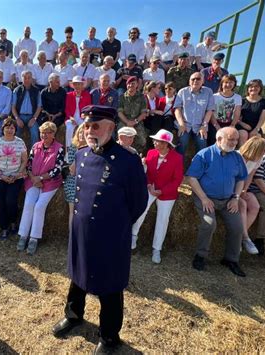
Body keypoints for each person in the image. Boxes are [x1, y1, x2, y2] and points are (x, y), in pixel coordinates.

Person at [52, 105, 147, 354]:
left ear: (111, 128)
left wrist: (115, 224)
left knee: (110, 285)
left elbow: (138, 203)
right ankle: (73, 315)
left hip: (111, 235)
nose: (89, 130)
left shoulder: (128, 161)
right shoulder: (82, 155)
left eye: (95, 125)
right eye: (86, 125)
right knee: (78, 275)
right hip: (81, 230)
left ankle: (109, 336)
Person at [187, 127, 248, 277]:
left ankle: (231, 259)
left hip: (228, 200)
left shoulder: (237, 157)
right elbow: (191, 178)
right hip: (206, 198)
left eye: (236, 140)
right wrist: (204, 198)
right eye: (231, 139)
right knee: (209, 224)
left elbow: (241, 179)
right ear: (219, 139)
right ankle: (200, 256)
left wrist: (236, 198)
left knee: (237, 226)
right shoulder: (204, 155)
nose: (234, 143)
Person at [131, 129, 184, 263]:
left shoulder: (177, 158)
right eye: (154, 140)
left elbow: (177, 180)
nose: (154, 143)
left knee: (163, 219)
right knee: (141, 209)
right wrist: (149, 185)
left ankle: (156, 249)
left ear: (166, 144)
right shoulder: (151, 153)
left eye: (158, 141)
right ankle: (133, 236)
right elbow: (147, 173)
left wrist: (161, 191)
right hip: (150, 188)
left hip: (167, 193)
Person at [17, 121, 64, 255]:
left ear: (53, 134)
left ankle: (33, 238)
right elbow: (29, 164)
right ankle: (23, 236)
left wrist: (41, 178)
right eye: (42, 132)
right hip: (33, 181)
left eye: (47, 132)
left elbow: (58, 169)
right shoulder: (35, 146)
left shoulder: (59, 148)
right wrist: (33, 178)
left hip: (50, 183)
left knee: (39, 206)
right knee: (29, 203)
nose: (44, 135)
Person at [0, 118, 28, 239]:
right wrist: (2, 175)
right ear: (2, 129)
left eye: (12, 127)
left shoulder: (20, 142)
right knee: (1, 204)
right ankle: (4, 228)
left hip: (16, 178)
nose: (10, 130)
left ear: (15, 130)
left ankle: (13, 222)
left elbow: (24, 160)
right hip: (0, 178)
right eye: (7, 127)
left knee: (11, 202)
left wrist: (17, 174)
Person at [237, 137, 265, 255]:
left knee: (255, 206)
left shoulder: (258, 159)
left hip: (243, 188)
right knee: (243, 204)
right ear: (255, 149)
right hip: (231, 188)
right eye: (264, 150)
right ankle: (245, 237)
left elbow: (250, 175)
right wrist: (238, 192)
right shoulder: (236, 157)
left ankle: (239, 238)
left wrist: (245, 189)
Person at [174, 72, 215, 156]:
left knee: (202, 145)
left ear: (203, 81)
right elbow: (177, 109)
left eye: (198, 79)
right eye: (193, 79)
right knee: (182, 142)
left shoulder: (208, 92)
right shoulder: (182, 92)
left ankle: (199, 167)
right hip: (185, 125)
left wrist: (204, 125)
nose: (195, 81)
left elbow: (210, 110)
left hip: (200, 125)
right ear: (189, 81)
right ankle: (178, 166)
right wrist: (181, 124)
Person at [63, 123, 86, 237]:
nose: (81, 135)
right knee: (73, 210)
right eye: (80, 132)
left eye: (84, 132)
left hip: (86, 181)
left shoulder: (93, 149)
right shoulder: (73, 147)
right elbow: (73, 170)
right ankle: (72, 236)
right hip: (72, 181)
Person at [117, 76, 147, 154]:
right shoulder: (122, 97)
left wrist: (135, 122)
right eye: (129, 84)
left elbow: (144, 113)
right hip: (124, 121)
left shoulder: (141, 97)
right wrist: (127, 122)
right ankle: (121, 153)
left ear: (137, 84)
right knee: (121, 136)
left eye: (133, 84)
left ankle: (137, 154)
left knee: (142, 140)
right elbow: (119, 112)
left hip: (137, 121)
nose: (130, 85)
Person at [209, 74, 241, 145]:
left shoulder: (237, 97)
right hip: (215, 123)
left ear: (234, 84)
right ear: (222, 84)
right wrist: (216, 126)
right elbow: (211, 112)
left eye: (231, 82)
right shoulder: (215, 96)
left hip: (229, 123)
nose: (228, 84)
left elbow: (237, 112)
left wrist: (232, 125)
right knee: (213, 139)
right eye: (226, 82)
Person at [11, 70, 42, 144]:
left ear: (32, 79)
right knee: (14, 131)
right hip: (19, 116)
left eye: (29, 78)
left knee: (35, 132)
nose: (27, 80)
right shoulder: (17, 90)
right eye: (25, 78)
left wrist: (34, 119)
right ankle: (15, 152)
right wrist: (17, 118)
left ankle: (33, 153)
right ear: (22, 79)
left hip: (32, 116)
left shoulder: (36, 91)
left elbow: (39, 107)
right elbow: (13, 107)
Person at [237, 79, 265, 146]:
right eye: (251, 86)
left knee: (255, 138)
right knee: (243, 135)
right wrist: (243, 124)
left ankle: (252, 156)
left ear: (260, 89)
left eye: (256, 86)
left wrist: (256, 129)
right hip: (242, 125)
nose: (253, 88)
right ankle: (241, 155)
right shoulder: (241, 100)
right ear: (248, 88)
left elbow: (262, 119)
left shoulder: (264, 102)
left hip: (256, 127)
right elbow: (237, 117)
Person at [64, 76, 92, 148]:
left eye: (79, 84)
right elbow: (67, 109)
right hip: (71, 117)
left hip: (82, 117)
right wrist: (71, 118)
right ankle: (69, 150)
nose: (77, 86)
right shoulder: (68, 95)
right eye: (75, 84)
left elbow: (88, 108)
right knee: (69, 128)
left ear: (82, 85)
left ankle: (83, 148)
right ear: (73, 85)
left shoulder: (87, 95)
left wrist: (85, 115)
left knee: (84, 127)